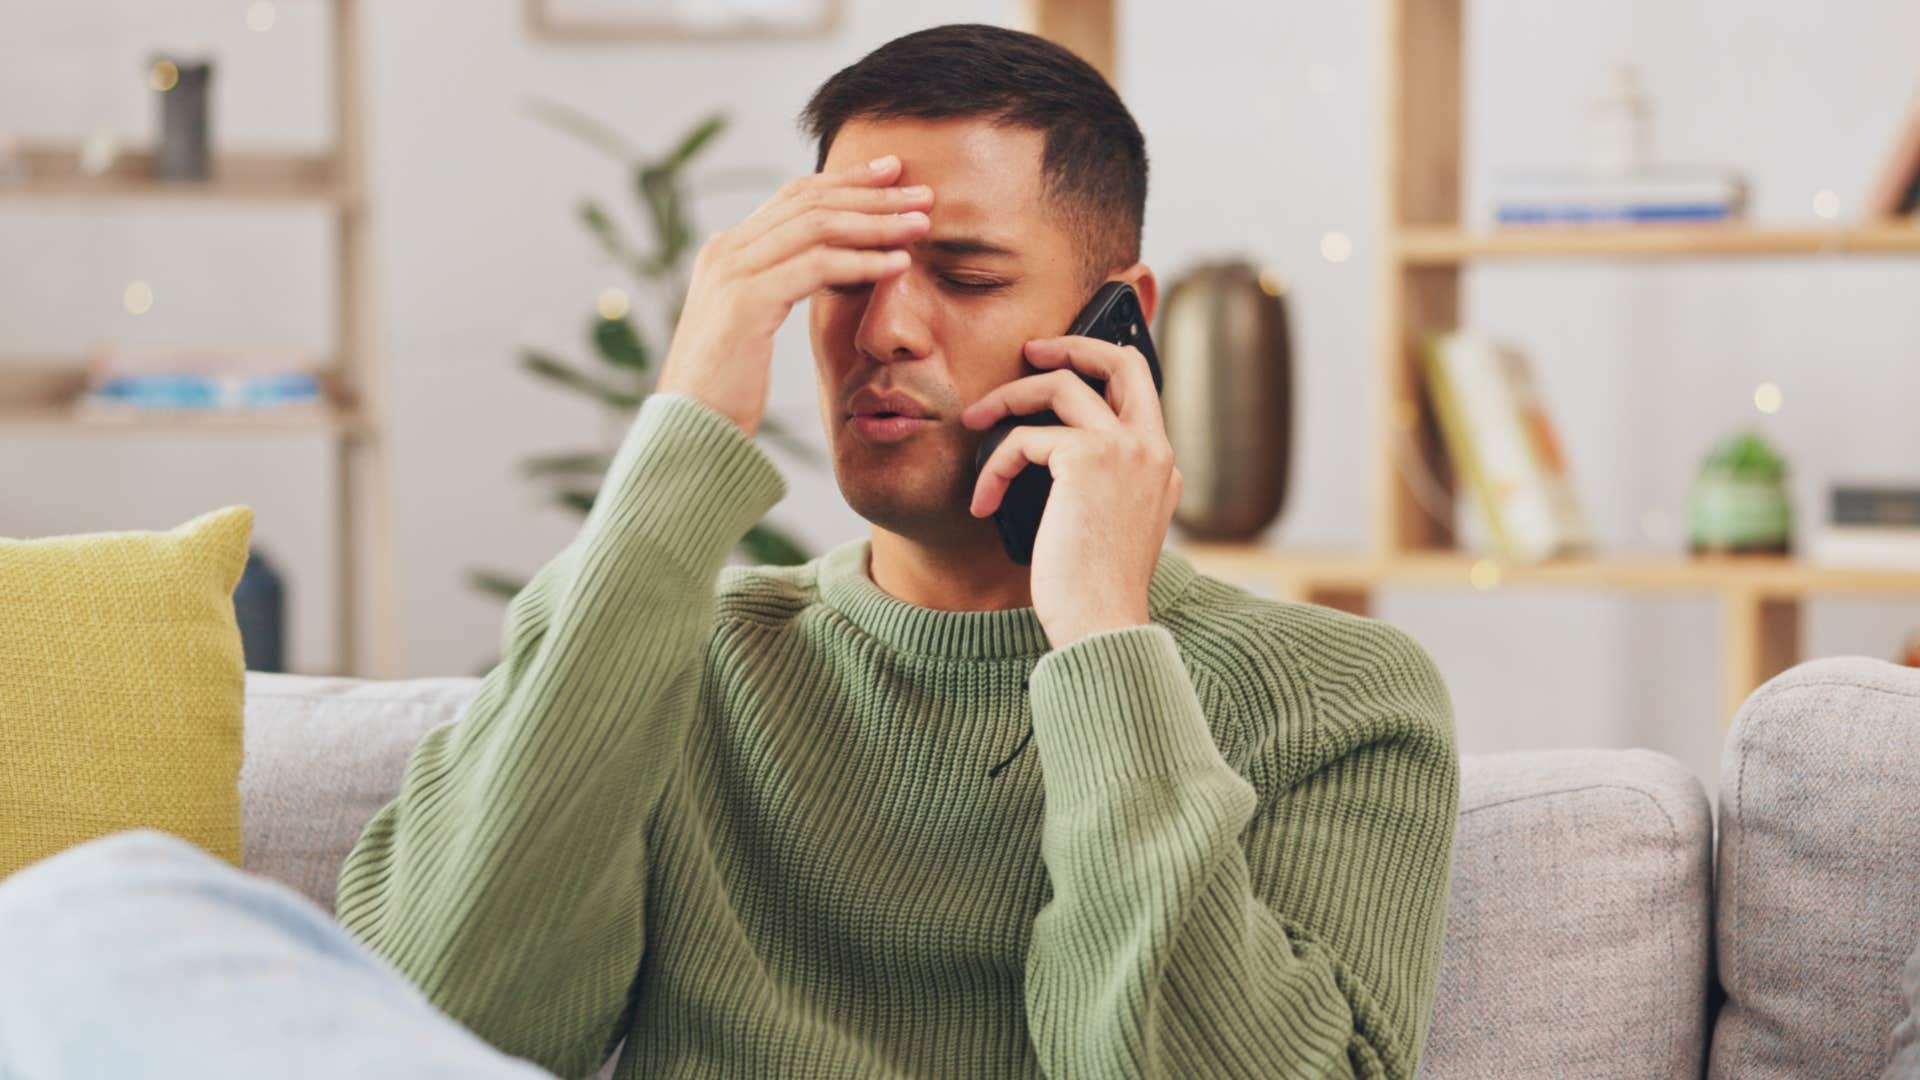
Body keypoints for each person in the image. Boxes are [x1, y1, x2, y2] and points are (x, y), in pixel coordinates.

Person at [0, 23, 1459, 1080]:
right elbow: (448, 1009)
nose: (884, 331)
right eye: (843, 276)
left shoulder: (1339, 694)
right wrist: (685, 419)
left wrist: (1101, 635)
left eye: (962, 276)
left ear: (1116, 317)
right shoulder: (695, 656)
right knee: (92, 911)